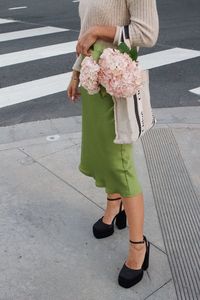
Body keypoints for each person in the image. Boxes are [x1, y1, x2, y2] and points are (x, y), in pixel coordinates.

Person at [67, 0, 159, 288]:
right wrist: (75, 71)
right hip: (93, 77)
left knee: (119, 162)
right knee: (101, 153)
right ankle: (113, 207)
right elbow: (86, 33)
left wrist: (99, 30)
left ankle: (138, 247)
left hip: (117, 79)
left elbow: (147, 33)